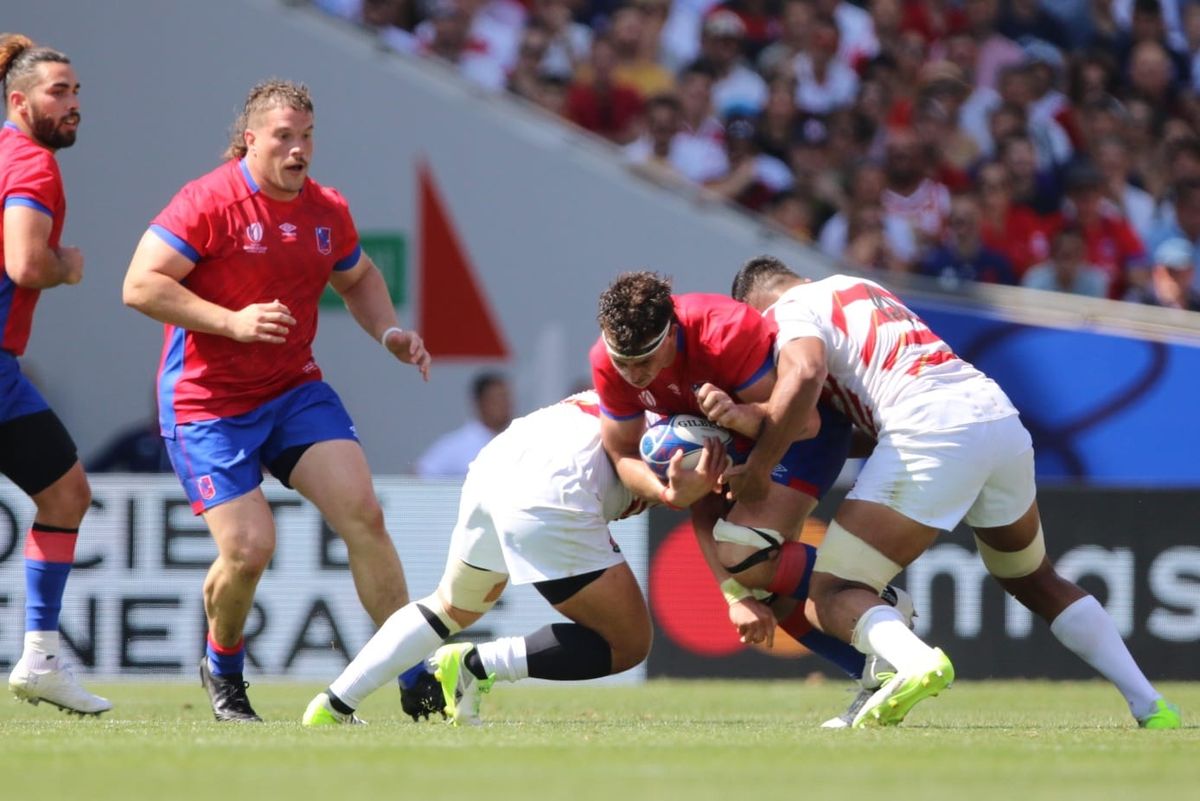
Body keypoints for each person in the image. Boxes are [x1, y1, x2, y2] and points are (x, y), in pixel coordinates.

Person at [727, 255, 1181, 729]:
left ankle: (915, 663)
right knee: (1034, 578)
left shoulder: (787, 311)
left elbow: (804, 373)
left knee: (832, 592)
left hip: (929, 427)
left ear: (759, 305)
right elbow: (860, 416)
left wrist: (760, 464)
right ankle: (1150, 704)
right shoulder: (862, 287)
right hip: (995, 416)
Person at [303, 391, 905, 728]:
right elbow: (692, 505)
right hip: (556, 490)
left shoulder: (662, 390)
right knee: (627, 643)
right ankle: (474, 666)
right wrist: (735, 589)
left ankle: (333, 706)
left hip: (502, 457)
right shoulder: (717, 434)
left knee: (448, 605)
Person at [122, 79, 433, 722]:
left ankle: (413, 675)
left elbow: (360, 276)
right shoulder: (208, 201)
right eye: (284, 137)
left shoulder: (326, 209)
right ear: (251, 139)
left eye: (307, 136)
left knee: (364, 516)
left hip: (293, 389)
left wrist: (389, 332)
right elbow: (139, 285)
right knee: (248, 550)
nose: (299, 150)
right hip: (206, 402)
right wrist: (232, 322)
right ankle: (224, 668)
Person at [588, 272, 912, 726]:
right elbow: (624, 456)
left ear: (673, 333)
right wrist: (669, 494)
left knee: (744, 552)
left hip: (804, 435)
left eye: (644, 359)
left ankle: (867, 591)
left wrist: (742, 422)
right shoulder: (608, 360)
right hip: (739, 440)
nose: (635, 374)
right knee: (757, 583)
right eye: (625, 363)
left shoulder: (723, 331)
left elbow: (802, 424)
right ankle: (877, 671)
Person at [0, 34, 111, 716]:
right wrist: (67, 264)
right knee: (67, 495)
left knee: (66, 492)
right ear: (19, 101)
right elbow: (25, 263)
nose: (73, 106)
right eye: (58, 93)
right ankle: (39, 654)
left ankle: (41, 656)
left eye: (76, 93)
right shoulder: (32, 163)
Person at [415, 371, 512, 477]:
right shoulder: (458, 444)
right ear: (480, 402)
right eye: (497, 399)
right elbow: (417, 476)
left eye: (506, 399)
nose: (504, 406)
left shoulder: (518, 441)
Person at [1126, 237, 1200, 311]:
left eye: (1182, 271)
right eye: (1170, 271)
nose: (1175, 278)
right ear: (1157, 272)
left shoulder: (1196, 303)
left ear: (1191, 272)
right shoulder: (1139, 301)